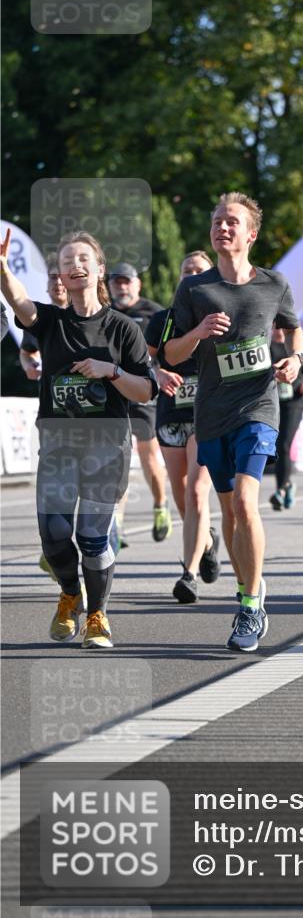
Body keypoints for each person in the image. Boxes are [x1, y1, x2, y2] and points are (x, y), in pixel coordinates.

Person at [0, 228, 157, 648]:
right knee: (52, 535)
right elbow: (19, 303)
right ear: (61, 275)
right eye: (67, 261)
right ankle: (70, 592)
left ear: (99, 269)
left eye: (83, 258)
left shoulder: (123, 328)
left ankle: (98, 615)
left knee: (92, 536)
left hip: (107, 446)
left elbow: (146, 390)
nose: (75, 265)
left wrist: (112, 372)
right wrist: (1, 269)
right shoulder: (50, 321)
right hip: (57, 443)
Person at [164, 192, 303, 652]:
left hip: (259, 406)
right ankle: (251, 587)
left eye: (232, 221)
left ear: (251, 234)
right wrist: (197, 334)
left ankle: (249, 602)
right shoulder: (194, 290)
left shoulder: (273, 284)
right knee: (228, 511)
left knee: (246, 501)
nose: (223, 227)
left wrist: (296, 359)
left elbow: (291, 328)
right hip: (212, 413)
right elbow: (170, 353)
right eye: (218, 221)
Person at [145, 251, 221, 603]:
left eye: (200, 271)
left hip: (206, 416)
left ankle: (188, 574)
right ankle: (206, 541)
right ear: (179, 279)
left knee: (196, 492)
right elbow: (142, 359)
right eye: (187, 271)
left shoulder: (222, 319)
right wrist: (157, 372)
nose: (192, 276)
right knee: (180, 493)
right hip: (171, 415)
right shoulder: (162, 321)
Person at [108, 263, 172, 543]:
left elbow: (169, 352)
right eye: (116, 282)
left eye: (126, 282)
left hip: (144, 391)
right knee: (115, 459)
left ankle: (160, 506)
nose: (122, 287)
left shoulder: (154, 312)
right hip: (113, 392)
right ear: (109, 286)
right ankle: (116, 524)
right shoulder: (102, 312)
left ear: (137, 285)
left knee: (147, 455)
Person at [269, 326, 303, 511]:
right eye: (275, 325)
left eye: (281, 325)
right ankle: (287, 484)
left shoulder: (297, 347)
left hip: (293, 402)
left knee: (284, 443)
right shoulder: (266, 346)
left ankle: (280, 490)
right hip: (272, 402)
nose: (278, 329)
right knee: (276, 444)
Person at [19, 266, 68, 380]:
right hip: (50, 391)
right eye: (53, 277)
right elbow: (26, 353)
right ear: (46, 286)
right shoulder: (36, 317)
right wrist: (30, 366)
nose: (58, 282)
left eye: (62, 277)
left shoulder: (87, 315)